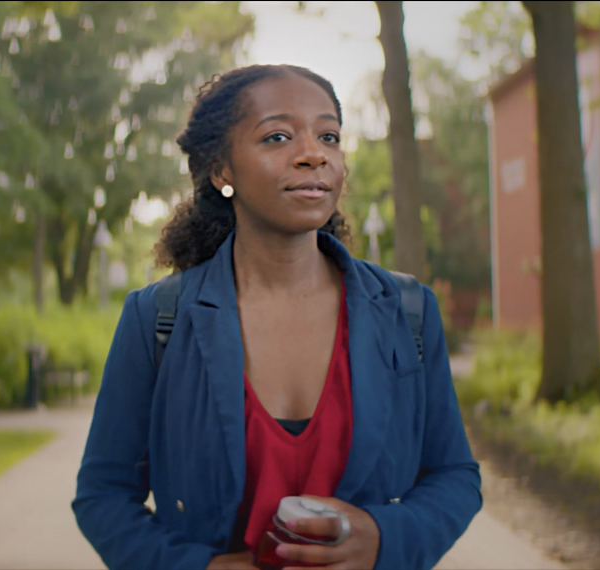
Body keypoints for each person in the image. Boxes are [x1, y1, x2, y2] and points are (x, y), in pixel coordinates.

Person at [72, 64, 482, 570]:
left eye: (328, 135)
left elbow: (455, 475)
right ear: (222, 171)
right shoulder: (157, 318)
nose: (314, 154)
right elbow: (103, 495)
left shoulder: (408, 311)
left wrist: (383, 537)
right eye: (278, 136)